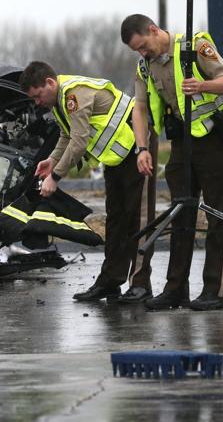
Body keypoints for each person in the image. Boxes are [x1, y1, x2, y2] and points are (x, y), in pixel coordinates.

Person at [121, 14, 223, 311]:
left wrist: (201, 86)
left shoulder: (194, 47)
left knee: (218, 216)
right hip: (181, 145)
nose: (142, 53)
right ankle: (176, 290)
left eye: (143, 46)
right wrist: (143, 148)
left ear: (153, 30)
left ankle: (215, 290)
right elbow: (140, 107)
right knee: (180, 215)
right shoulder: (145, 66)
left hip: (216, 140)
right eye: (137, 50)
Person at [19, 61, 151, 303]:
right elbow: (66, 135)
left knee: (137, 219)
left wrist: (55, 177)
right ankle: (110, 281)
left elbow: (79, 143)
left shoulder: (72, 95)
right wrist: (51, 160)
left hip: (135, 150)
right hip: (116, 157)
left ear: (49, 83)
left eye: (38, 96)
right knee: (116, 220)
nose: (37, 103)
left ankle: (141, 284)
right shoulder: (60, 100)